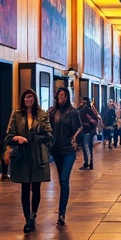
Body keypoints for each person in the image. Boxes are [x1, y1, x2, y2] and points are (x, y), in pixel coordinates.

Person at [5, 89, 52, 231]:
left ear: (35, 99)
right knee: (25, 187)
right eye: (26, 97)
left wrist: (33, 138)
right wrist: (17, 138)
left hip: (38, 154)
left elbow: (49, 135)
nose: (28, 99)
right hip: (23, 156)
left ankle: (34, 214)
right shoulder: (16, 115)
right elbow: (8, 136)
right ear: (23, 99)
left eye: (31, 97)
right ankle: (27, 220)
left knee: (36, 187)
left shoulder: (42, 114)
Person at [48, 85, 82, 224]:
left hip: (68, 150)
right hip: (56, 150)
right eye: (59, 95)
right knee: (61, 180)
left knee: (64, 180)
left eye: (63, 96)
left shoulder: (72, 112)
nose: (61, 98)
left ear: (67, 97)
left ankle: (62, 213)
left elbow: (78, 128)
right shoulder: (52, 111)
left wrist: (74, 141)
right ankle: (61, 211)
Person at [77, 97, 101, 169]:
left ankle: (87, 163)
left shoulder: (82, 110)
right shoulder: (91, 110)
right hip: (91, 130)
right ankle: (90, 163)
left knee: (85, 146)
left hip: (86, 130)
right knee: (89, 146)